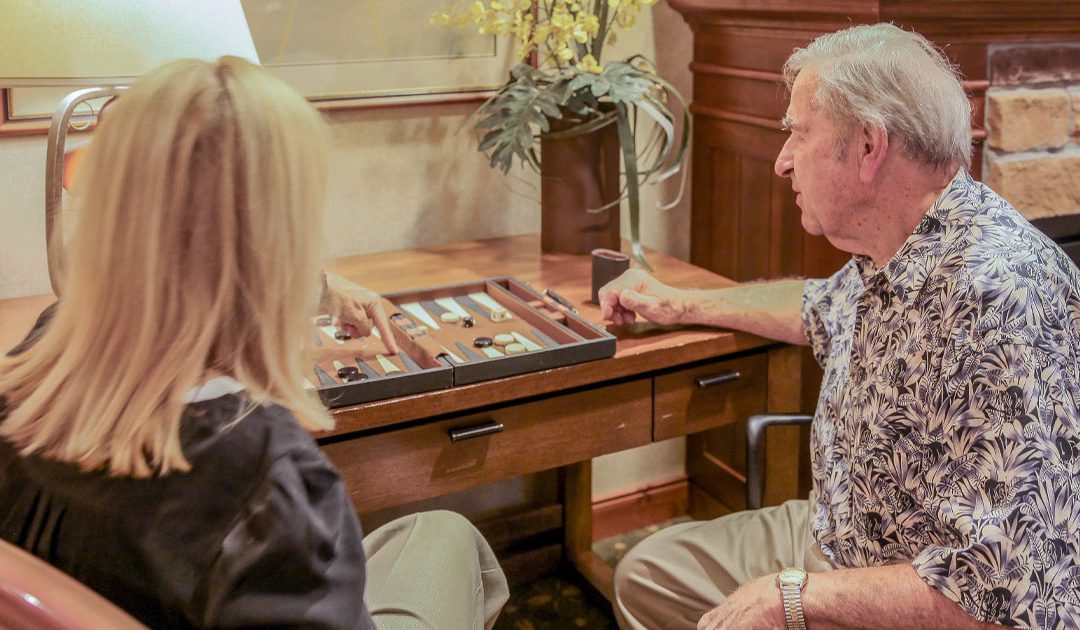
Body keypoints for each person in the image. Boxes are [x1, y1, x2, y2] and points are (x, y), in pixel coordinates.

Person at [602, 23, 1080, 630]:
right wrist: (680, 303)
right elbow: (816, 306)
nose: (781, 162)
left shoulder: (992, 299)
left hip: (919, 591)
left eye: (797, 134)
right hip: (837, 532)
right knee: (646, 576)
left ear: (868, 147)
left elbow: (996, 598)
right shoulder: (898, 244)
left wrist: (791, 596)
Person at [0, 57, 505, 629]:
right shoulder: (272, 489)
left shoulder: (32, 370)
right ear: (278, 237)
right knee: (449, 535)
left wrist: (315, 291)